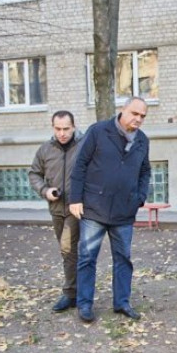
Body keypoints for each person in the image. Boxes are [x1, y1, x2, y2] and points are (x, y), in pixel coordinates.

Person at [69, 97, 151, 323]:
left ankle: (122, 302)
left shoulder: (142, 141)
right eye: (134, 113)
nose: (138, 119)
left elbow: (145, 172)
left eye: (143, 116)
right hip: (94, 208)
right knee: (87, 257)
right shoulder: (98, 131)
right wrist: (75, 198)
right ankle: (85, 304)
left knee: (123, 258)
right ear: (122, 110)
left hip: (124, 212)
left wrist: (139, 198)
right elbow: (80, 166)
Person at [29, 110, 84, 312]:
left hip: (77, 208)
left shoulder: (83, 145)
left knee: (68, 248)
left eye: (66, 129)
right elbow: (34, 173)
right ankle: (76, 293)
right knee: (67, 252)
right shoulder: (45, 149)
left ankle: (72, 294)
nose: (62, 133)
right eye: (58, 129)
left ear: (74, 127)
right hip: (56, 208)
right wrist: (45, 190)